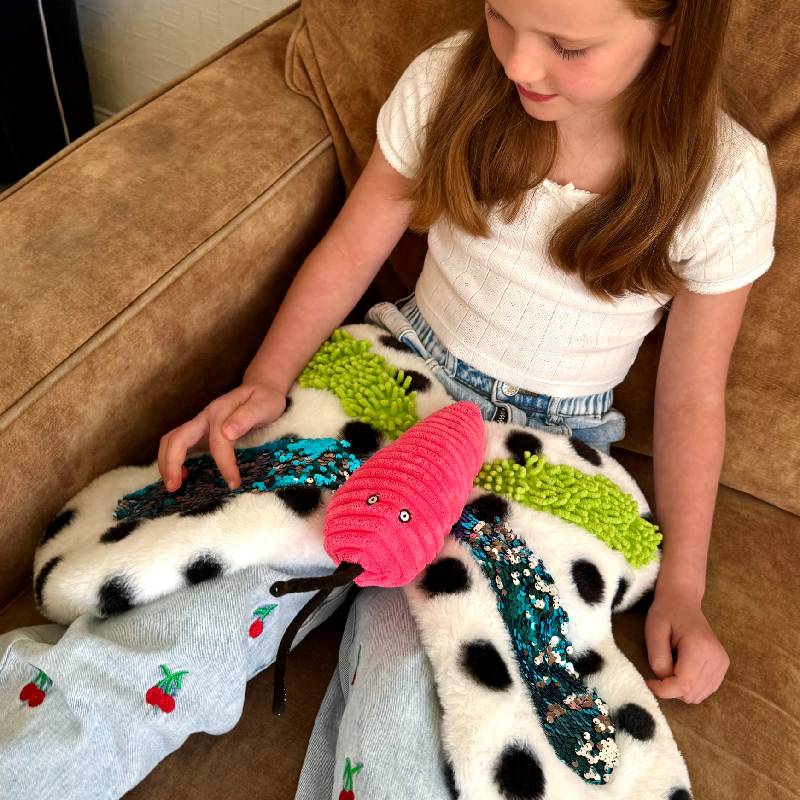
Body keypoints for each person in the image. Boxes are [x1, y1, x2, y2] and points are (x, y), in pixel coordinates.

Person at [0, 1, 777, 798]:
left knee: (428, 707)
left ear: (676, 21)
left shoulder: (723, 186)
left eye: (567, 46)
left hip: (544, 453)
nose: (517, 64)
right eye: (501, 15)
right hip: (390, 380)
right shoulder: (449, 82)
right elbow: (351, 245)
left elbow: (691, 398)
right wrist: (266, 380)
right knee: (187, 609)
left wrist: (685, 585)